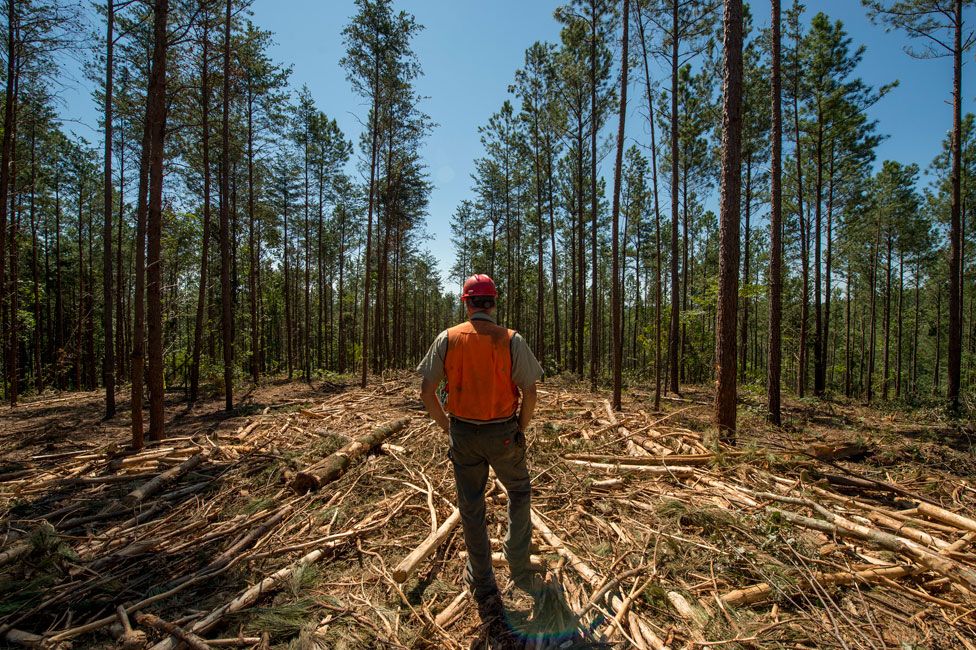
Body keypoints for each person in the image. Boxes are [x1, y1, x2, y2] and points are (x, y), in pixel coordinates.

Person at [416, 273, 544, 623]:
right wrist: (520, 427)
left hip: (464, 434)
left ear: (467, 303)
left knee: (471, 506)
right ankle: (517, 561)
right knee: (519, 490)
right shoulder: (510, 340)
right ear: (494, 302)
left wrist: (448, 426)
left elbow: (427, 391)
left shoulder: (448, 338)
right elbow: (530, 392)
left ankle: (483, 580)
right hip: (503, 432)